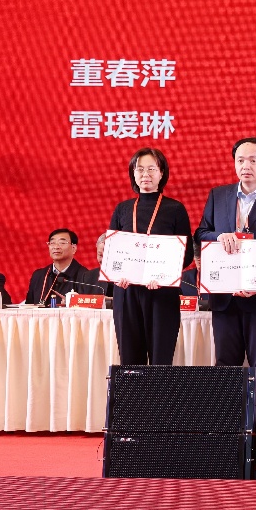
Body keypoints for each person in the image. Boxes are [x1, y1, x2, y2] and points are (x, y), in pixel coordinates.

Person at [195, 137, 256, 379]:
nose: (245, 166)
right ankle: (227, 407)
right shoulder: (218, 195)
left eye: (252, 160)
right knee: (225, 366)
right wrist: (219, 236)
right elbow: (201, 233)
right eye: (240, 160)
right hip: (224, 298)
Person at [108, 148, 193, 365]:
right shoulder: (122, 209)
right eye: (140, 169)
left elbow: (187, 253)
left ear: (162, 173)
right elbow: (112, 251)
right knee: (130, 362)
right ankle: (132, 391)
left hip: (161, 292)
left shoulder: (175, 209)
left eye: (151, 169)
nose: (145, 174)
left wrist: (163, 276)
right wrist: (117, 275)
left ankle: (159, 391)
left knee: (160, 361)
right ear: (133, 173)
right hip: (126, 291)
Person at [24, 229, 97, 305]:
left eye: (62, 243)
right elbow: (28, 306)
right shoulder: (39, 275)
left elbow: (90, 307)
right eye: (52, 243)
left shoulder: (85, 277)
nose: (56, 247)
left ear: (73, 248)